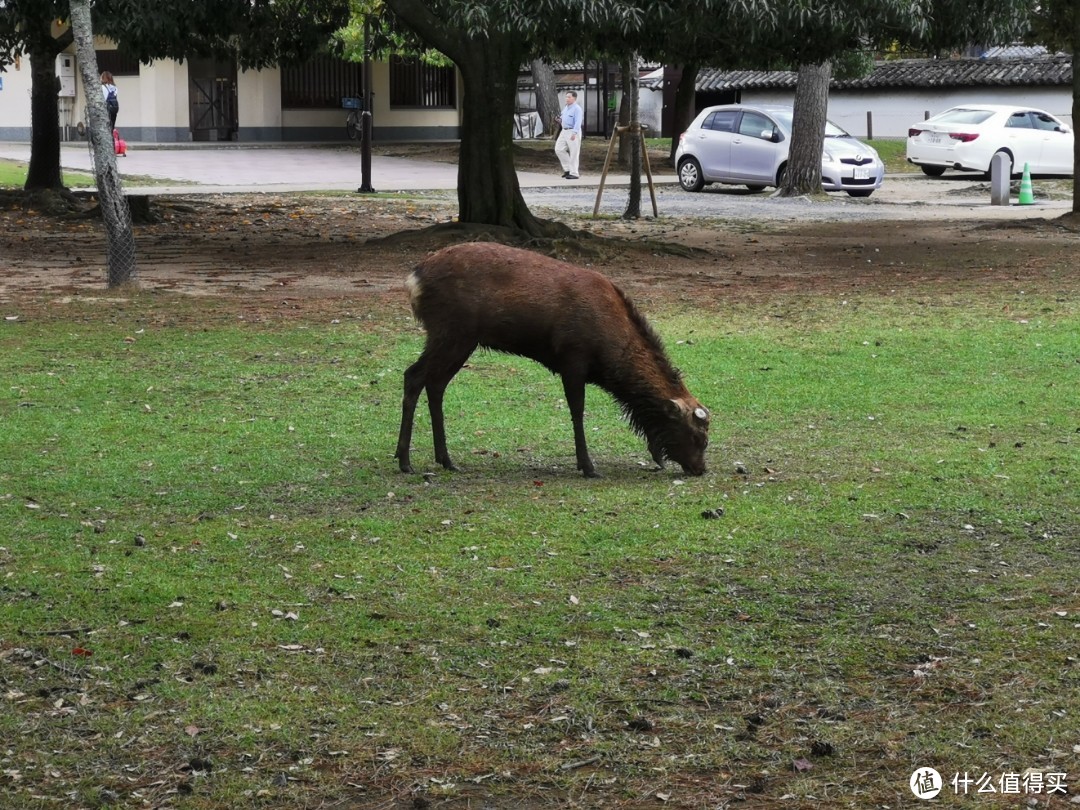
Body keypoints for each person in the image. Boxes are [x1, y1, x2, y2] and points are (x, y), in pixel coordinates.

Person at [554, 91, 583, 180]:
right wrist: (559, 120)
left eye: (569, 97)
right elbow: (563, 118)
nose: (567, 99)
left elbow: (578, 121)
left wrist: (574, 133)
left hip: (573, 131)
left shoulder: (577, 109)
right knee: (559, 149)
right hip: (564, 130)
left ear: (574, 98)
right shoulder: (566, 108)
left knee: (574, 152)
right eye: (566, 97)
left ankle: (574, 173)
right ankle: (567, 169)